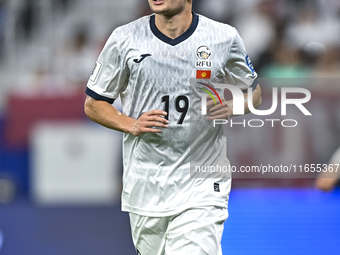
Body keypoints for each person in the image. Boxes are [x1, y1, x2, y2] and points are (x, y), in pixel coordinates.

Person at [84, 0, 261, 254]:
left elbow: (254, 93)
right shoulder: (124, 39)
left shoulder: (223, 37)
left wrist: (232, 107)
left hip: (202, 185)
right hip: (146, 186)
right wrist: (131, 123)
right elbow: (94, 103)